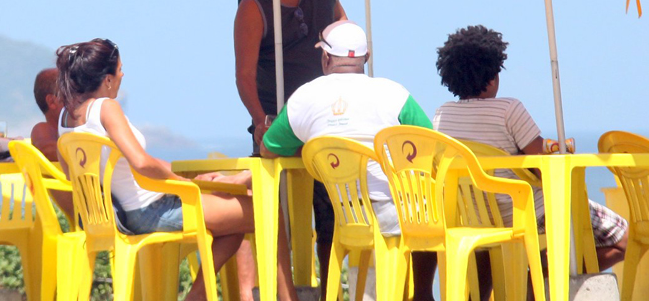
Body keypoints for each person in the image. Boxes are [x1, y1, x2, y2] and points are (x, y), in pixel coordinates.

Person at [55, 39, 299, 301]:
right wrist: (183, 185)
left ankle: (198, 296)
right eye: (120, 69)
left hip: (116, 215)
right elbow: (141, 163)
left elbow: (74, 175)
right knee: (267, 212)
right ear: (107, 79)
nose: (123, 74)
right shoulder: (106, 108)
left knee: (234, 219)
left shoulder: (65, 119)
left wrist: (183, 176)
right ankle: (288, 298)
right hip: (148, 211)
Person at [432, 25, 629, 298]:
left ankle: (521, 279)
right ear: (491, 77)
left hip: (476, 218)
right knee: (622, 238)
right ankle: (541, 278)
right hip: (525, 214)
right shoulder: (508, 109)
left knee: (492, 254)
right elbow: (540, 163)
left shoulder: (442, 116)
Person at [256, 21, 433, 300]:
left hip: (345, 217)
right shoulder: (394, 94)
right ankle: (423, 294)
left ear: (325, 58)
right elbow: (431, 144)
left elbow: (268, 149)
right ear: (366, 58)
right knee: (434, 209)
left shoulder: (304, 97)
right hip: (397, 214)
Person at [233, 0, 346, 299]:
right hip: (276, 121)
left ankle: (331, 290)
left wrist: (349, 51)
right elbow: (244, 76)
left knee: (332, 209)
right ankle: (282, 294)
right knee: (270, 214)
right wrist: (260, 120)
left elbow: (340, 23)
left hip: (328, 117)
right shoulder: (252, 7)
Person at [30, 67, 74, 218]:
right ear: (52, 101)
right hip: (91, 215)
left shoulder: (73, 131)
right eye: (71, 92)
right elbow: (47, 149)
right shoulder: (44, 130)